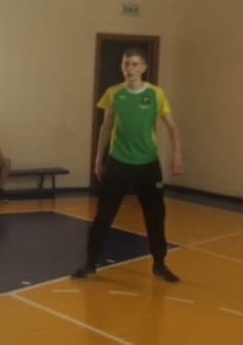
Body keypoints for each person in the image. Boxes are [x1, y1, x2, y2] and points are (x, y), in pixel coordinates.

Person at [72, 46, 183, 282]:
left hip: (148, 164)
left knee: (155, 216)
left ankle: (160, 264)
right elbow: (106, 127)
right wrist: (98, 158)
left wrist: (176, 155)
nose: (129, 69)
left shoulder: (156, 94)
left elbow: (172, 126)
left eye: (134, 64)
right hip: (118, 162)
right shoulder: (113, 93)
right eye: (125, 64)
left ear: (143, 67)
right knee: (103, 215)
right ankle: (90, 264)